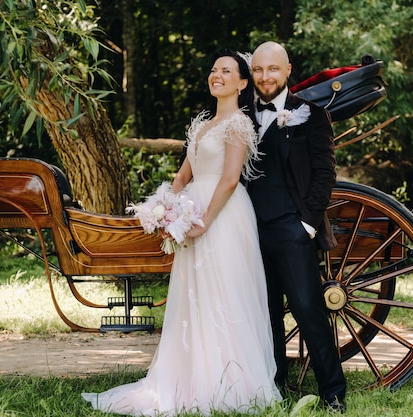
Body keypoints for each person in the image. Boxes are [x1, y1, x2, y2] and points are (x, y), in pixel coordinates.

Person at [81, 49, 281, 415]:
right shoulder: (202, 124)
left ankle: (230, 381)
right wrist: (166, 209)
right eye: (213, 69)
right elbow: (183, 175)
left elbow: (230, 179)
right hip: (190, 213)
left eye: (226, 71)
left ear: (241, 82)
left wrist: (204, 219)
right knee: (194, 294)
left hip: (223, 214)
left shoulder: (238, 123)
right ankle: (189, 376)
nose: (216, 75)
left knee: (223, 292)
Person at [247, 41, 348, 413]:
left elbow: (324, 174)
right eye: (258, 70)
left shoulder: (311, 113)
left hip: (292, 228)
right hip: (248, 231)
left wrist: (306, 224)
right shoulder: (239, 114)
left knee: (308, 309)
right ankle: (275, 385)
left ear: (288, 70)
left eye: (272, 69)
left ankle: (333, 392)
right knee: (265, 311)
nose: (264, 77)